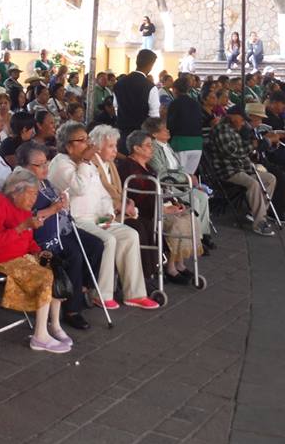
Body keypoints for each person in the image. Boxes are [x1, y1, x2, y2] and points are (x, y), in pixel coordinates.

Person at [49, 123, 157, 310]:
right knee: (108, 240)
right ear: (68, 146)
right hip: (76, 220)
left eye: (87, 139)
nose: (88, 144)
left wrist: (108, 213)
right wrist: (84, 162)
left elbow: (102, 193)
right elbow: (79, 188)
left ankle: (135, 293)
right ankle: (101, 293)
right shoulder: (61, 163)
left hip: (96, 217)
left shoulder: (87, 163)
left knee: (130, 234)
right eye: (82, 141)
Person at [0, 169, 72, 353]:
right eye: (31, 194)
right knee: (44, 276)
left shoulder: (23, 206)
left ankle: (54, 324)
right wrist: (23, 226)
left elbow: (29, 239)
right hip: (1, 258)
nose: (34, 199)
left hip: (23, 254)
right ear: (16, 190)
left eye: (36, 194)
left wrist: (40, 253)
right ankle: (40, 336)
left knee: (55, 267)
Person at [15, 142, 101, 328]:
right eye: (39, 165)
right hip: (42, 237)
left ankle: (79, 289)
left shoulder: (45, 182)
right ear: (24, 166)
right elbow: (28, 219)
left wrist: (62, 201)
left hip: (62, 228)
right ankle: (72, 310)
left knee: (96, 245)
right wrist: (53, 208)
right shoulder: (21, 187)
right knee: (74, 255)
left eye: (46, 163)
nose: (45, 168)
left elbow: (58, 204)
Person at [118, 131, 203, 283]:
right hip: (145, 211)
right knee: (176, 223)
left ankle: (180, 264)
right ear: (136, 148)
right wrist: (163, 208)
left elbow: (161, 189)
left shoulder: (148, 167)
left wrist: (175, 202)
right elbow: (139, 198)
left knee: (188, 218)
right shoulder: (129, 167)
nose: (152, 149)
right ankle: (170, 268)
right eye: (148, 146)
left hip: (159, 205)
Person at [142, 117, 215, 250]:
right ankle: (195, 239)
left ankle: (204, 234)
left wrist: (187, 176)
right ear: (155, 134)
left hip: (179, 182)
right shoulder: (153, 148)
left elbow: (179, 167)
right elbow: (161, 172)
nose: (168, 131)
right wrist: (185, 178)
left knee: (202, 197)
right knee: (194, 200)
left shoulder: (167, 146)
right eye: (164, 129)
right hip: (169, 185)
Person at [204, 105, 277, 236]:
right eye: (241, 119)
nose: (243, 122)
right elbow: (232, 152)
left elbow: (242, 149)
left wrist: (251, 141)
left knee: (270, 178)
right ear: (232, 117)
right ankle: (259, 222)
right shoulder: (222, 129)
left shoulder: (234, 129)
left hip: (241, 168)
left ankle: (257, 213)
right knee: (253, 184)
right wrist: (253, 145)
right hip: (228, 171)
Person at [113, 48, 160, 151]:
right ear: (151, 65)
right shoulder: (150, 87)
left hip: (122, 134)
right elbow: (154, 116)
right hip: (142, 138)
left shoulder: (119, 84)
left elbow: (115, 107)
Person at [165, 76, 204, 174]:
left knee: (178, 177)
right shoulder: (196, 103)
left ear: (175, 90)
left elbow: (170, 125)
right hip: (197, 144)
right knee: (189, 178)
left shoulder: (175, 103)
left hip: (181, 143)